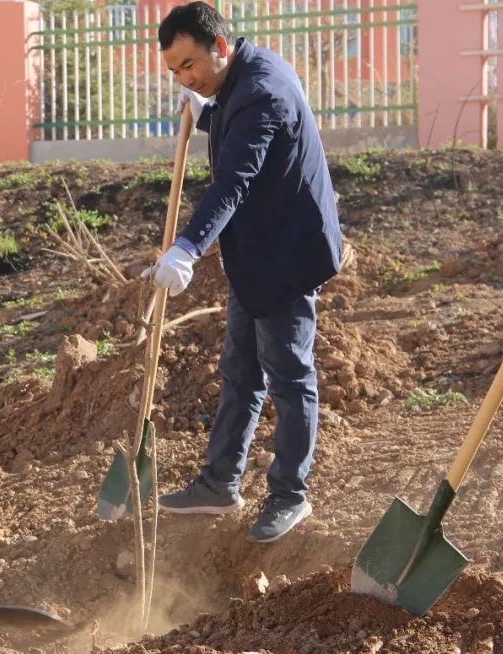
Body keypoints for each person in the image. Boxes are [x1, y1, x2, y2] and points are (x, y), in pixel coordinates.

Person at [146, 2, 342, 543]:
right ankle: (219, 483)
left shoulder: (261, 91)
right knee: (240, 369)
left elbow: (233, 181)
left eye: (190, 65)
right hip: (257, 252)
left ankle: (288, 495)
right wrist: (206, 111)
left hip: (288, 255)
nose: (186, 77)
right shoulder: (246, 78)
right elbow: (239, 126)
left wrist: (187, 247)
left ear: (220, 48)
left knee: (288, 374)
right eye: (176, 71)